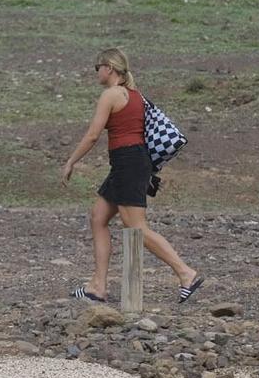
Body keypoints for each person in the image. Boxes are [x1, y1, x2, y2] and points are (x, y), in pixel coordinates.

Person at [60, 47, 202, 304]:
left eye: (97, 68)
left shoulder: (110, 95)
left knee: (136, 226)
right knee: (98, 217)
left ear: (109, 68)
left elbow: (93, 135)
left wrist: (71, 161)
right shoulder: (136, 95)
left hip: (129, 163)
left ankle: (186, 273)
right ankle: (98, 287)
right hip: (129, 163)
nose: (96, 73)